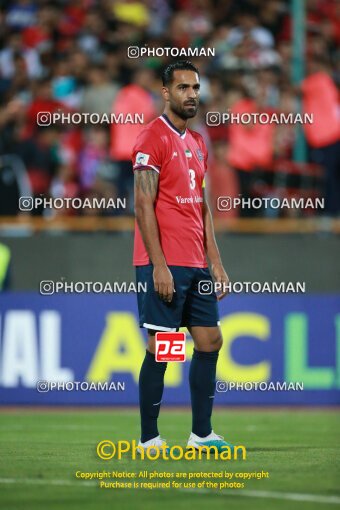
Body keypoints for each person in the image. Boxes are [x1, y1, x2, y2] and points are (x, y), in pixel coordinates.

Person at [132, 60, 234, 454]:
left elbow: (203, 207)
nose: (192, 94)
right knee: (164, 348)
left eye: (195, 87)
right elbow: (143, 204)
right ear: (166, 93)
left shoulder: (197, 142)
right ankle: (149, 439)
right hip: (165, 262)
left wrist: (216, 261)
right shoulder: (151, 138)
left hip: (196, 263)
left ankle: (201, 435)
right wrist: (158, 264)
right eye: (183, 88)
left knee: (210, 341)